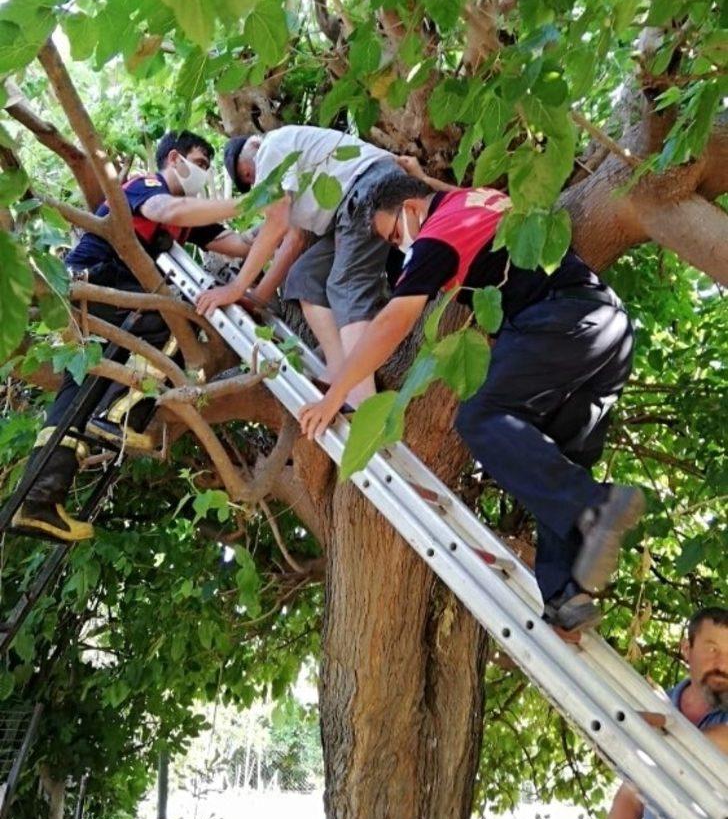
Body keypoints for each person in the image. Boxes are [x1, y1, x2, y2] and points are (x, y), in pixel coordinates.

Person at [298, 170, 644, 632]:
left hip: (563, 322)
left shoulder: (436, 237)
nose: (399, 246)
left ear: (412, 209)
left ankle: (595, 506)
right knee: (548, 458)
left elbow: (394, 319)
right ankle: (566, 596)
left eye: (393, 234)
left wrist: (336, 392)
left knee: (482, 418)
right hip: (610, 332)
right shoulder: (476, 199)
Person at [10, 130, 255, 544]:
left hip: (117, 305)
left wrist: (282, 217)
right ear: (174, 158)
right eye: (200, 162)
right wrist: (250, 201)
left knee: (78, 396)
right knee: (180, 314)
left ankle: (38, 500)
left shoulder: (187, 220)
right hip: (94, 283)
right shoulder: (148, 185)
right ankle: (118, 417)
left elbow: (239, 243)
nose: (203, 172)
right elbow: (166, 209)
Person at [197, 125, 405, 405]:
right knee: (305, 277)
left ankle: (361, 400)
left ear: (254, 146)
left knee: (346, 285)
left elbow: (277, 227)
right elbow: (292, 239)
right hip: (348, 211)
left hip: (369, 186)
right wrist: (256, 298)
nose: (256, 181)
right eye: (250, 182)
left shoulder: (270, 147)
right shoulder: (292, 182)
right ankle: (338, 371)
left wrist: (236, 289)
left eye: (249, 173)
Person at [576, 606, 728, 819]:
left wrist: (653, 738)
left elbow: (718, 742)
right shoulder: (657, 709)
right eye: (713, 649)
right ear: (686, 649)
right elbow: (631, 799)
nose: (723, 664)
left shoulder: (657, 724)